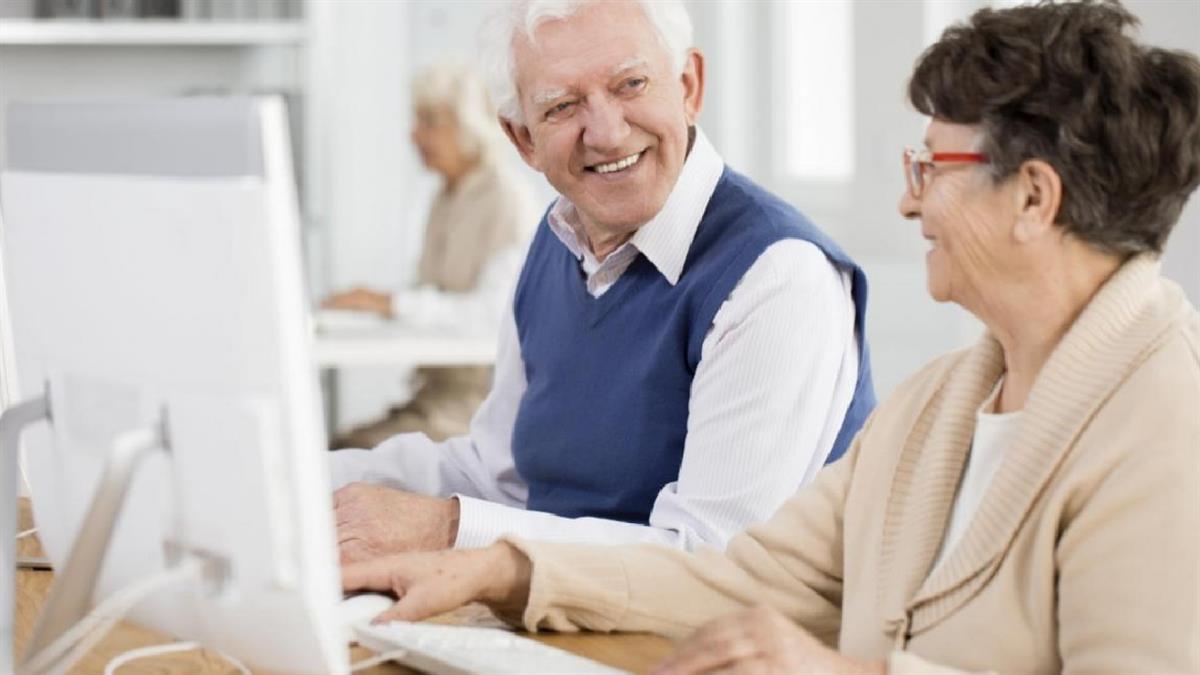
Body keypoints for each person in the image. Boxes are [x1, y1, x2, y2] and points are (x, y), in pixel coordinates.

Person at [340, 2, 1200, 673]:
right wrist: (499, 569)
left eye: (931, 169)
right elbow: (745, 575)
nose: (908, 202)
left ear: (1034, 197)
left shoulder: (1165, 421)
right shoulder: (940, 402)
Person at [329, 0, 875, 561]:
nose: (608, 134)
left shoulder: (777, 275)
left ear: (688, 86)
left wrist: (448, 528)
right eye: (562, 106)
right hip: (555, 607)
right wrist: (312, 479)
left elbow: (706, 561)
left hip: (700, 617)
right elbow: (498, 476)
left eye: (631, 84)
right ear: (523, 140)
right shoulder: (556, 242)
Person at [324, 64, 537, 446]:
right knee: (333, 448)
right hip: (431, 398)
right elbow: (436, 298)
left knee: (341, 455)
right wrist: (372, 306)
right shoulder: (444, 196)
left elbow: (492, 316)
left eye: (430, 121)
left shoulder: (506, 199)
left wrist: (390, 304)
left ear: (469, 126)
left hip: (477, 409)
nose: (414, 134)